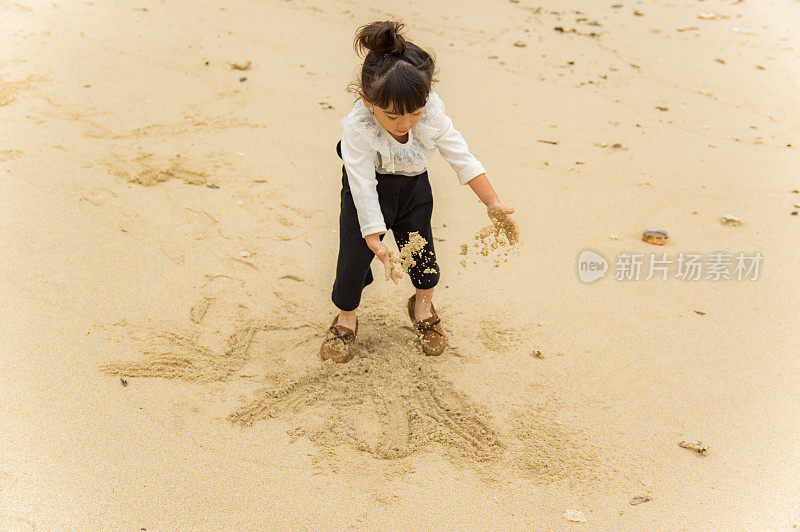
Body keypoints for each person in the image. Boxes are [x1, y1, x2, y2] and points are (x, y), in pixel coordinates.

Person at [320, 20, 520, 363]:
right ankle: (346, 319)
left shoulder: (430, 116)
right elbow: (362, 182)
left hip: (414, 191)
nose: (405, 123)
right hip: (365, 195)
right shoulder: (359, 128)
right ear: (368, 101)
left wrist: (493, 202)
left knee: (424, 256)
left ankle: (422, 307)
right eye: (394, 115)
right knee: (352, 263)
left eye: (414, 112)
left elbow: (463, 158)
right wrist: (372, 233)